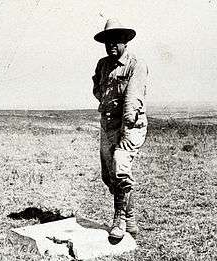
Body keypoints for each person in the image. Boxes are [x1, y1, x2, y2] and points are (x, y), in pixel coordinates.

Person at [92, 18, 148, 239]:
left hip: (130, 126)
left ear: (125, 40)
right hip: (108, 126)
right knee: (109, 176)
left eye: (116, 40)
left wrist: (125, 130)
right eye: (108, 41)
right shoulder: (103, 65)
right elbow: (98, 89)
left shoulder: (136, 65)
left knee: (120, 169)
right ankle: (130, 217)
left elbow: (132, 100)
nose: (111, 45)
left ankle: (119, 219)